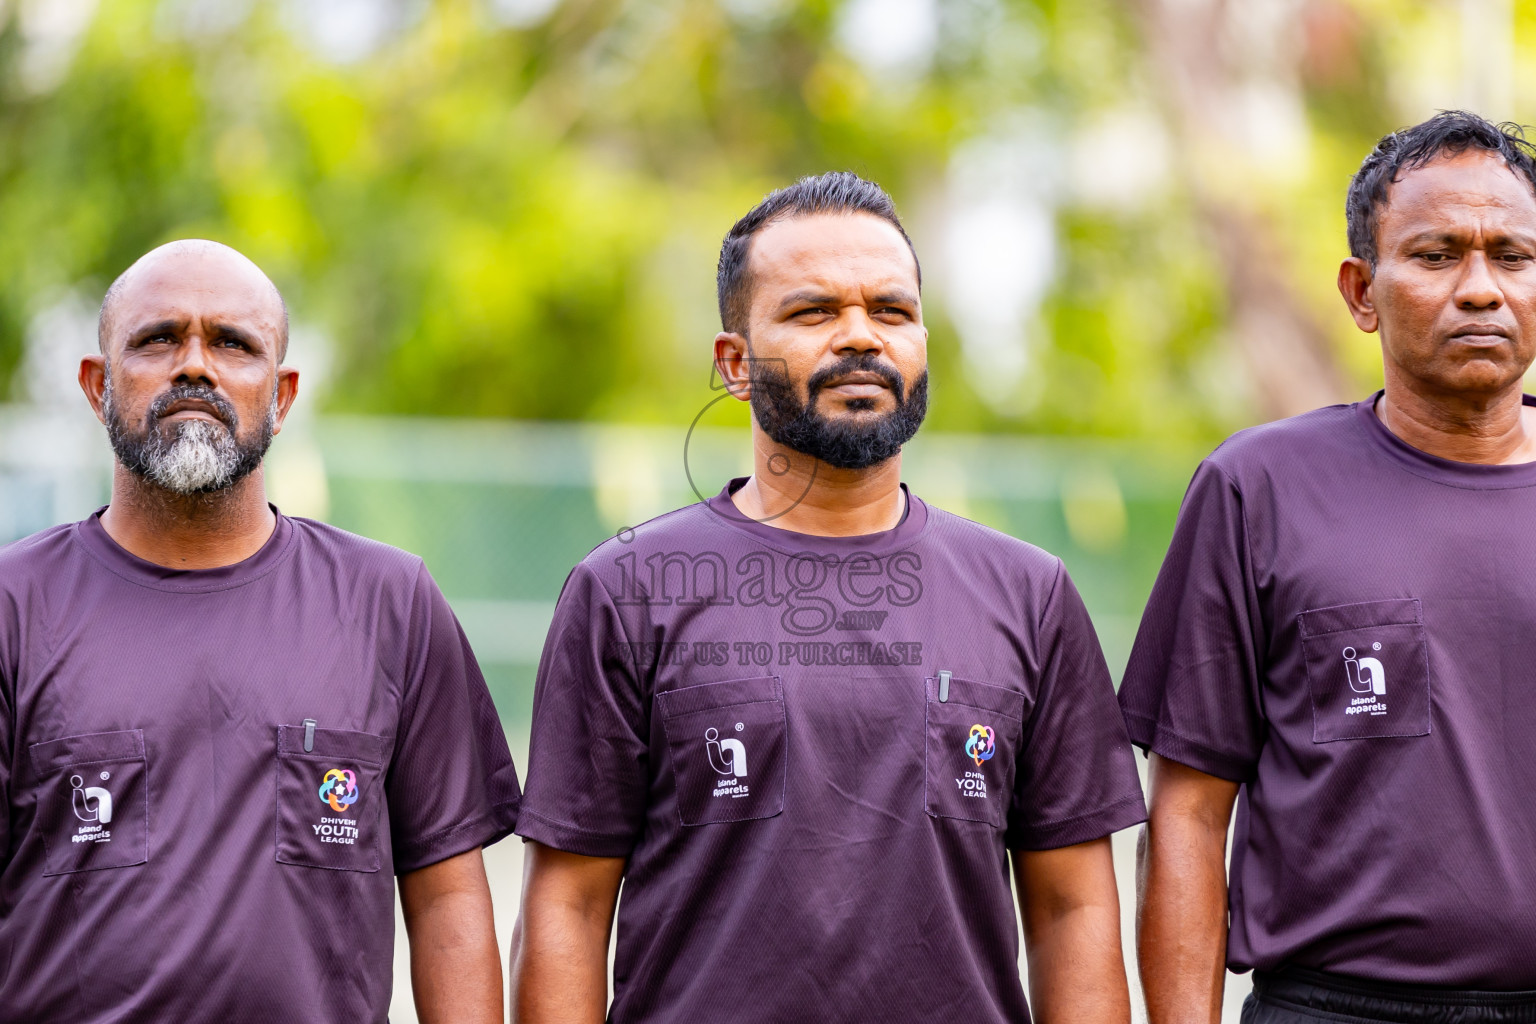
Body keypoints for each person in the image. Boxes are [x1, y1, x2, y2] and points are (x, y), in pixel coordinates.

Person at [510, 172, 1146, 1023]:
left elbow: (1074, 909)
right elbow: (567, 909)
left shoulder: (1029, 595)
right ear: (735, 365)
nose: (861, 338)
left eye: (892, 310)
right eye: (814, 313)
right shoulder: (627, 592)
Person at [0, 240, 521, 1022]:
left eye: (233, 343)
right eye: (158, 338)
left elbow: (447, 902)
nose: (195, 366)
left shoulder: (390, 603)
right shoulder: (13, 605)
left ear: (281, 397)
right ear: (97, 385)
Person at [1121, 110, 1536, 1022]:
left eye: (1511, 255)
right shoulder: (1258, 488)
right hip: (1334, 1008)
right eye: (1435, 256)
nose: (1481, 289)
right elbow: (1187, 815)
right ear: (1361, 292)